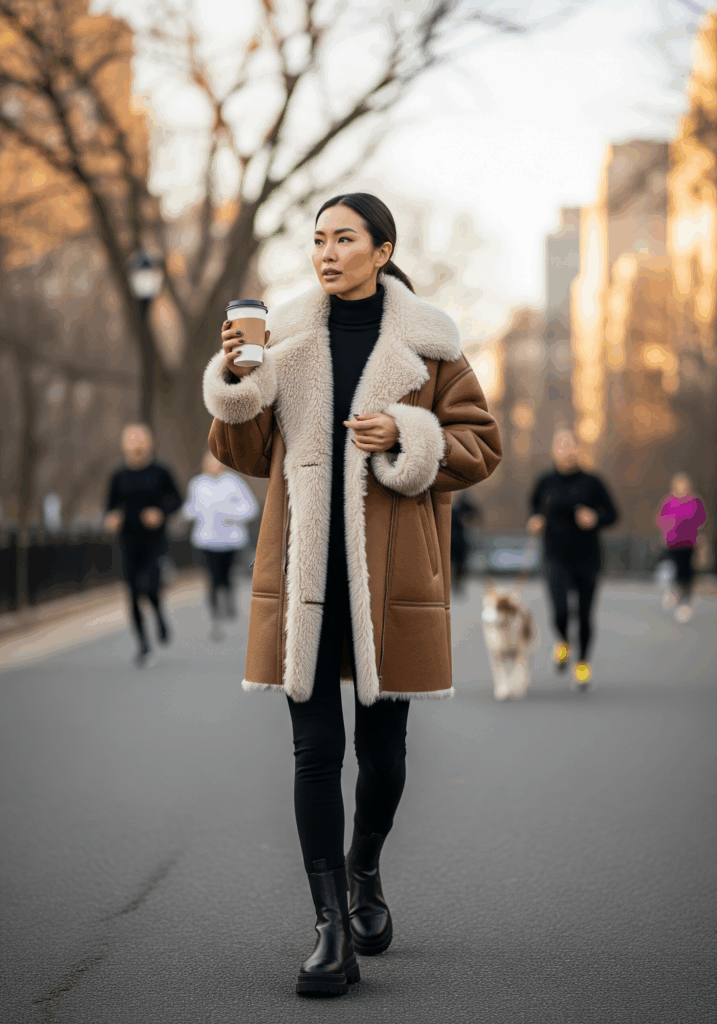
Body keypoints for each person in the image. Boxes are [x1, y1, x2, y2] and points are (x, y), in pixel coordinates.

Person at [202, 192, 502, 995]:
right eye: (317, 240)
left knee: (384, 756)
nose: (326, 253)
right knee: (312, 752)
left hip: (387, 581)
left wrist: (408, 434)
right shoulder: (288, 341)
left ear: (381, 250)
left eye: (343, 239)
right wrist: (236, 378)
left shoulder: (431, 347)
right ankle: (328, 927)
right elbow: (244, 450)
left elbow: (482, 446)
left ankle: (364, 864)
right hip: (302, 576)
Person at [527, 427, 618, 691]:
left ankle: (582, 664)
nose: (566, 450)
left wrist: (595, 518)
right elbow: (534, 506)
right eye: (561, 445)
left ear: (578, 449)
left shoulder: (593, 482)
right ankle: (564, 641)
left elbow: (613, 514)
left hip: (587, 557)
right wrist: (535, 519)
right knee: (560, 611)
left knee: (586, 615)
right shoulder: (545, 481)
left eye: (570, 445)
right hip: (555, 555)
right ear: (554, 450)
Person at [105, 423, 182, 667]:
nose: (136, 444)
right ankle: (143, 647)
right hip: (128, 540)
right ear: (124, 445)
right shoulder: (118, 475)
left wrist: (161, 512)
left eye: (141, 439)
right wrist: (112, 518)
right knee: (132, 594)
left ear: (150, 443)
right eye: (131, 439)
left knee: (149, 585)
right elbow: (109, 506)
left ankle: (159, 615)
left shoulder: (161, 472)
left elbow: (177, 500)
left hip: (154, 542)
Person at [183, 451, 259, 641]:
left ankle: (228, 599)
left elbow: (250, 509)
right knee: (212, 577)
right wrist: (188, 514)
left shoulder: (233, 483)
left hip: (230, 541)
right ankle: (215, 615)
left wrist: (230, 515)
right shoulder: (197, 484)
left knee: (226, 576)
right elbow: (191, 508)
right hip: (206, 541)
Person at [656, 472, 707, 623]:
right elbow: (661, 519)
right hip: (673, 543)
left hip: (690, 543)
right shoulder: (669, 501)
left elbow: (701, 521)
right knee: (674, 570)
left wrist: (702, 542)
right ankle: (674, 593)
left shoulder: (695, 502)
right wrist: (665, 530)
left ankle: (685, 603)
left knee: (688, 574)